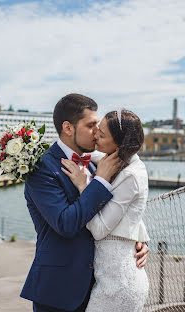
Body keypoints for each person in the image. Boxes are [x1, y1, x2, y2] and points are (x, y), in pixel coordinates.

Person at [20, 94, 149, 312]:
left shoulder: (96, 162)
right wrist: (99, 182)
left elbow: (123, 204)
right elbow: (65, 223)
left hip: (99, 286)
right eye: (90, 126)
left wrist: (139, 239)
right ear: (68, 128)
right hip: (59, 290)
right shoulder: (41, 169)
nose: (97, 132)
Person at [61, 109, 150, 312]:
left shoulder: (131, 175)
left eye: (101, 134)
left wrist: (84, 187)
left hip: (118, 286)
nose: (95, 136)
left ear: (119, 143)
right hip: (108, 280)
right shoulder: (114, 161)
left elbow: (99, 230)